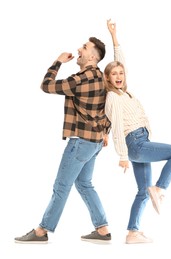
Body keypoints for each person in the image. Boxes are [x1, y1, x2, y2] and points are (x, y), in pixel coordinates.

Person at [15, 36, 112, 244]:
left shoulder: (81, 79)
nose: (79, 49)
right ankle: (103, 229)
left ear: (93, 57)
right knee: (84, 183)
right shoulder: (102, 79)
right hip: (94, 142)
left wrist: (57, 62)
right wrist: (106, 132)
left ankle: (42, 231)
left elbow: (46, 85)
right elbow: (109, 109)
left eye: (84, 48)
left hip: (80, 143)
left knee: (61, 186)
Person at [104, 19, 171, 244]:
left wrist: (114, 36)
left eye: (121, 73)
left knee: (142, 190)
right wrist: (122, 155)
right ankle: (160, 188)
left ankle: (132, 232)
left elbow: (120, 63)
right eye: (114, 74)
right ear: (108, 79)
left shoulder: (124, 92)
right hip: (136, 144)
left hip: (139, 142)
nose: (119, 76)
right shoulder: (112, 97)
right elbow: (118, 126)